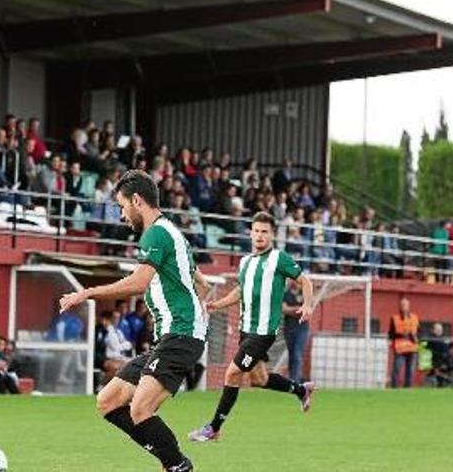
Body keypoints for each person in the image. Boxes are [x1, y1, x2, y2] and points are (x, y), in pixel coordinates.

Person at [59, 170, 210, 472]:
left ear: (137, 201)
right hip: (172, 336)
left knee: (140, 408)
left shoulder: (155, 233)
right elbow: (201, 282)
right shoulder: (171, 232)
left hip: (180, 335)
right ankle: (172, 461)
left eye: (122, 206)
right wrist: (200, 307)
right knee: (108, 401)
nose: (121, 214)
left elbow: (139, 282)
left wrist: (87, 292)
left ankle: (178, 466)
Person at [188, 211, 316, 442]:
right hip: (246, 329)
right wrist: (218, 304)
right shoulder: (245, 262)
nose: (259, 235)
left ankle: (214, 428)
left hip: (263, 332)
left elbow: (305, 280)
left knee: (232, 373)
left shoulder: (279, 258)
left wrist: (307, 304)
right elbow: (240, 291)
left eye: (264, 232)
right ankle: (301, 390)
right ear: (251, 233)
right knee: (259, 379)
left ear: (272, 235)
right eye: (256, 231)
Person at [388, 298, 419, 388]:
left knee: (410, 369)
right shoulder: (395, 318)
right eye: (402, 305)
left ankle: (407, 388)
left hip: (412, 346)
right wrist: (392, 342)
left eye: (405, 305)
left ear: (409, 306)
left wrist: (417, 338)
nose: (403, 307)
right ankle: (394, 387)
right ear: (399, 306)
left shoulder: (415, 317)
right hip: (400, 347)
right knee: (397, 368)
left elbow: (419, 331)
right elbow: (391, 333)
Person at [282, 280, 309, 382]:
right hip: (289, 328)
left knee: (297, 353)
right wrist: (298, 309)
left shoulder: (305, 293)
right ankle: (292, 379)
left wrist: (292, 310)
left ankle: (295, 380)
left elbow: (307, 311)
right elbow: (284, 309)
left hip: (302, 328)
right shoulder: (286, 294)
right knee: (292, 354)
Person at [426, 323, 453, 387]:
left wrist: (452, 343)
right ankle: (443, 379)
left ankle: (447, 378)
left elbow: (448, 347)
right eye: (437, 330)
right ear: (434, 330)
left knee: (452, 359)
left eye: (440, 330)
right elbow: (430, 349)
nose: (439, 331)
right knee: (440, 361)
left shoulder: (444, 337)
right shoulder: (431, 338)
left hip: (445, 358)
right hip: (435, 358)